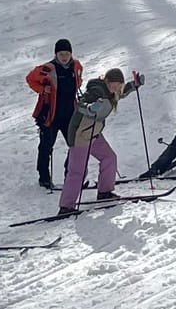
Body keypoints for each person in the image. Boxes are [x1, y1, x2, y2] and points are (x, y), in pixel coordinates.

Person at [58, 67, 143, 216]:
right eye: (113, 85)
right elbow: (81, 104)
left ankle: (104, 192)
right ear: (106, 81)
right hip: (81, 133)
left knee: (109, 157)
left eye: (118, 86)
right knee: (78, 171)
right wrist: (90, 108)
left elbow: (121, 93)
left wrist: (134, 85)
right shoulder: (96, 90)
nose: (115, 89)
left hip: (94, 133)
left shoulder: (111, 92)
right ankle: (66, 206)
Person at [24, 39, 84, 191]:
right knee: (46, 147)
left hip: (70, 114)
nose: (64, 57)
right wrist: (42, 89)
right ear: (56, 54)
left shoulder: (76, 65)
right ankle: (44, 178)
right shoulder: (48, 68)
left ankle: (71, 175)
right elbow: (30, 79)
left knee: (75, 146)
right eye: (61, 54)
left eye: (67, 53)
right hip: (50, 114)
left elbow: (79, 80)